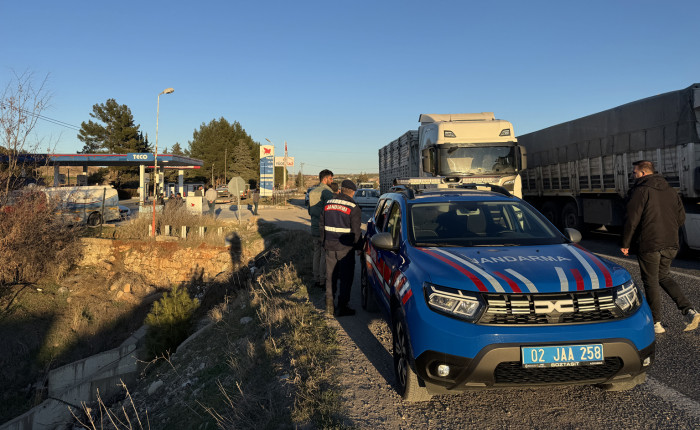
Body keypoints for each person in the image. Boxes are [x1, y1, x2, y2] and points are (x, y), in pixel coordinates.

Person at [621, 160, 700, 333]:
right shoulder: (671, 190)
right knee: (664, 276)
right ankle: (689, 311)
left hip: (649, 243)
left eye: (634, 173)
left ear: (642, 173)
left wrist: (625, 243)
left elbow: (632, 219)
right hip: (671, 243)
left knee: (650, 281)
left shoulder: (641, 190)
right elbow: (681, 218)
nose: (633, 176)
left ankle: (656, 323)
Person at [320, 179, 362, 316]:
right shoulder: (353, 207)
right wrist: (359, 247)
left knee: (330, 277)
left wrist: (323, 242)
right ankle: (342, 307)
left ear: (341, 189)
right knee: (346, 278)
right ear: (353, 192)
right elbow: (356, 231)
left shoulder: (328, 204)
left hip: (329, 246)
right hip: (345, 249)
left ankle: (329, 307)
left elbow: (321, 226)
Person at [308, 169, 334, 290]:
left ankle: (315, 277)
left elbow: (310, 211)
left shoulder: (312, 192)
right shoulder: (327, 192)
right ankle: (322, 280)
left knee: (316, 253)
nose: (332, 181)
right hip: (323, 228)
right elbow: (330, 212)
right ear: (325, 179)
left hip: (314, 227)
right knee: (324, 254)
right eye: (331, 178)